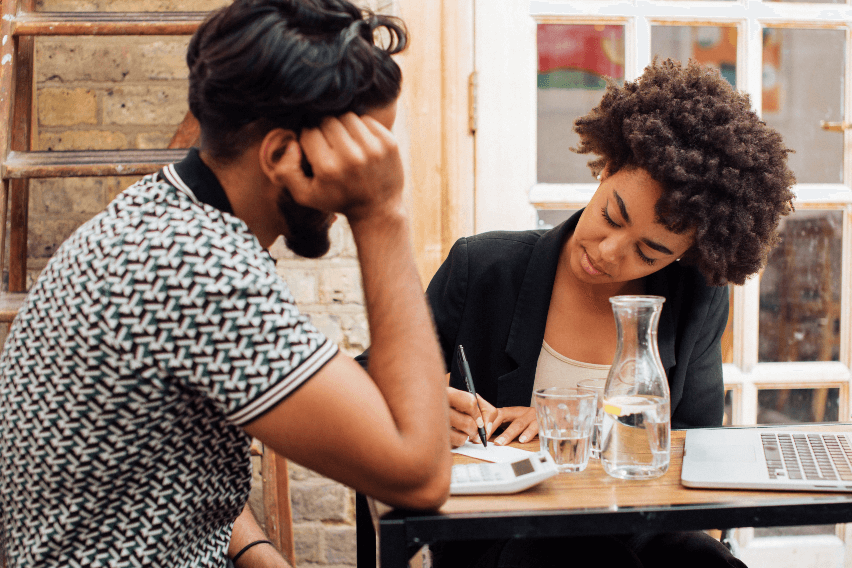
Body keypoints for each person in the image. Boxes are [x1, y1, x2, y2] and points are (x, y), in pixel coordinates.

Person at [0, 1, 452, 567]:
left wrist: (259, 552)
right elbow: (420, 475)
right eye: (362, 154)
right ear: (284, 153)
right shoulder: (196, 270)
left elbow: (161, 448)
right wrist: (381, 212)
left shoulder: (161, 214)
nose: (372, 170)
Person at [359, 59, 796, 567]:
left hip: (642, 536)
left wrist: (580, 431)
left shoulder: (694, 298)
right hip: (507, 543)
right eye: (612, 215)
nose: (610, 253)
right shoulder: (483, 268)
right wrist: (426, 405)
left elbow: (695, 447)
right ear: (607, 167)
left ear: (685, 254)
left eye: (649, 252)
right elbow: (368, 379)